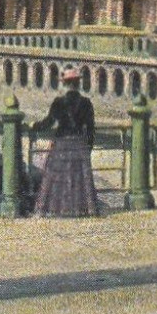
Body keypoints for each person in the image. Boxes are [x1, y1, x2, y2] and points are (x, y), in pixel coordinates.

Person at [30, 69, 99, 217]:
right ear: (78, 84)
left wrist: (34, 126)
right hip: (79, 144)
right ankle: (85, 210)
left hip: (62, 143)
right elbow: (91, 128)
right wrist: (89, 148)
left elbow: (48, 122)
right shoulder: (86, 103)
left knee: (54, 177)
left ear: (65, 84)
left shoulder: (59, 102)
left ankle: (48, 210)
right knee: (79, 178)